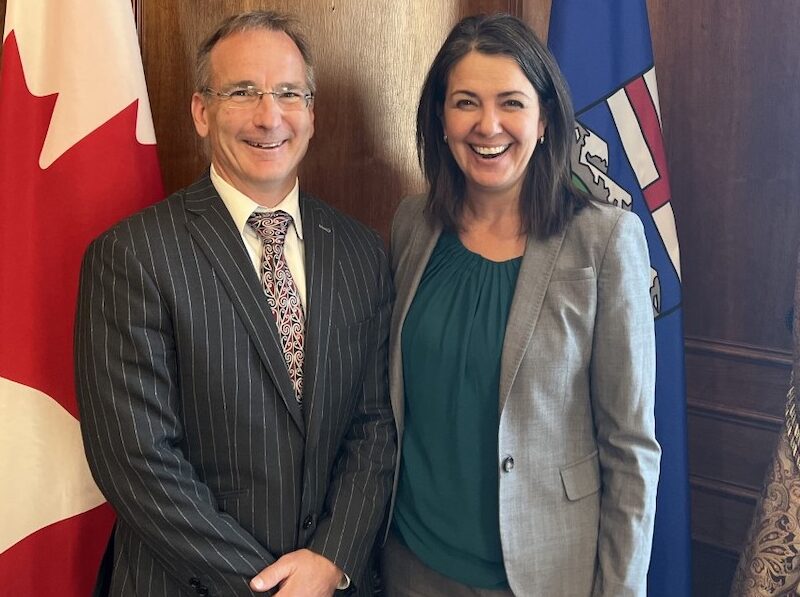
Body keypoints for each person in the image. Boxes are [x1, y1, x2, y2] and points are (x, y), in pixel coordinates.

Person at [75, 10, 395, 597]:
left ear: (311, 112)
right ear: (202, 111)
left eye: (289, 93)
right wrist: (267, 588)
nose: (269, 116)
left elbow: (374, 425)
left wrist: (330, 558)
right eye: (243, 92)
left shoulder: (361, 252)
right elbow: (138, 459)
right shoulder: (132, 255)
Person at [381, 13, 661, 597]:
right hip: (410, 564)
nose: (488, 126)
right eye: (465, 102)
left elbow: (630, 450)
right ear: (440, 116)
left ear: (545, 118)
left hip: (542, 575)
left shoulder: (606, 241)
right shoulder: (412, 225)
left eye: (511, 102)